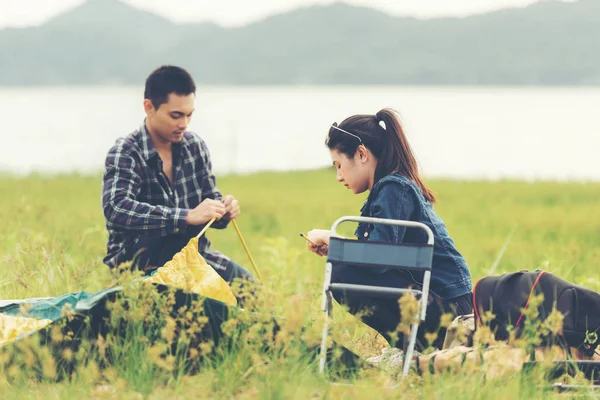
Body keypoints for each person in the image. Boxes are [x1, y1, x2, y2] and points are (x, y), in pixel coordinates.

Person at [305, 108, 473, 349]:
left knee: (342, 274)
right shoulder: (388, 190)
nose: (338, 176)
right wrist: (341, 248)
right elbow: (380, 254)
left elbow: (379, 260)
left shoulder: (395, 188)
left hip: (451, 310)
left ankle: (417, 348)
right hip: (438, 302)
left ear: (361, 154)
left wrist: (334, 241)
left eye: (339, 165)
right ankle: (411, 349)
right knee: (343, 268)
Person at [101, 65, 253, 285]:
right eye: (175, 115)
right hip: (138, 263)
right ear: (149, 108)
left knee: (254, 295)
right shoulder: (126, 151)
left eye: (189, 115)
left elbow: (208, 202)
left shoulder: (195, 147)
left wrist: (223, 210)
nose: (183, 124)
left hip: (193, 257)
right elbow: (116, 207)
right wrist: (185, 216)